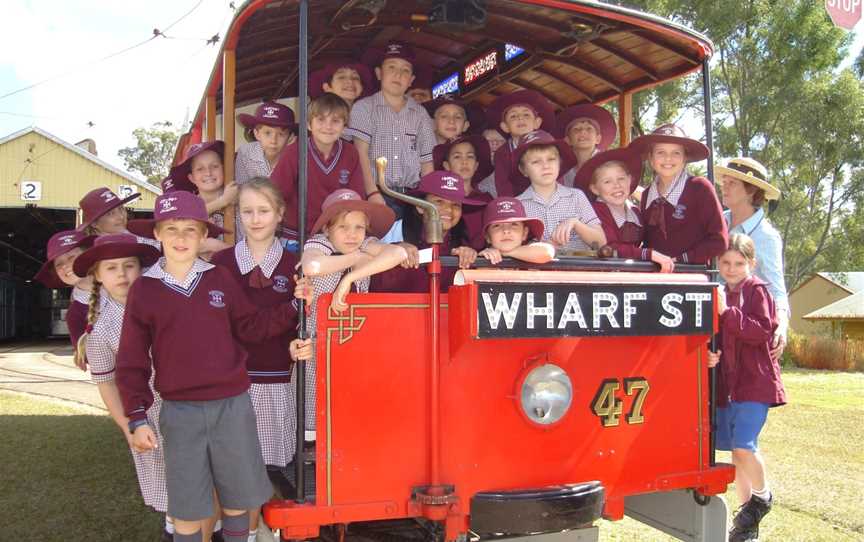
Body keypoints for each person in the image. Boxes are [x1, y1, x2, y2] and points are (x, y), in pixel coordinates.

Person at [117, 191, 300, 542]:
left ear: (203, 235)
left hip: (232, 406)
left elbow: (252, 327)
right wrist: (137, 417)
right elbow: (132, 360)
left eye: (190, 229)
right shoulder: (145, 289)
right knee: (187, 509)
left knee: (237, 502)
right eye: (171, 229)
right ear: (156, 234)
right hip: (179, 412)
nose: (181, 238)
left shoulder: (219, 279)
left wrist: (294, 304)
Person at [211, 178, 313, 540]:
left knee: (258, 471)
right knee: (228, 469)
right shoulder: (220, 264)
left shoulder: (295, 264)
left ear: (280, 214)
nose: (255, 219)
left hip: (275, 381)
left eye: (264, 211)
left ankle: (253, 533)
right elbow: (238, 327)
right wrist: (290, 307)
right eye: (247, 211)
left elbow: (303, 326)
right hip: (232, 382)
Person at [71, 234, 176, 538]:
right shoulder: (100, 331)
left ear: (141, 270)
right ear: (98, 277)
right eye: (112, 268)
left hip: (188, 404)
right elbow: (106, 383)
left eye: (129, 266)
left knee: (203, 480)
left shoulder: (165, 303)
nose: (122, 274)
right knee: (170, 487)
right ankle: (174, 531)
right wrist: (128, 426)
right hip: (148, 415)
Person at [299, 189, 405, 430]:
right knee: (317, 416)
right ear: (327, 228)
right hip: (318, 345)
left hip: (354, 344)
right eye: (343, 227)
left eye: (359, 227)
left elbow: (397, 253)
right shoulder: (320, 243)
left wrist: (350, 278)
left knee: (350, 414)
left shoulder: (367, 243)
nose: (352, 235)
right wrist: (357, 257)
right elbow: (313, 265)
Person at [707, 233, 786, 542]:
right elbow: (716, 335)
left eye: (739, 263)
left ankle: (762, 497)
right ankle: (745, 525)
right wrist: (711, 355)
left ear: (752, 263)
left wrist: (728, 312)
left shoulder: (758, 292)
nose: (731, 268)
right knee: (736, 456)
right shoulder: (719, 292)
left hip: (755, 382)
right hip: (728, 385)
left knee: (744, 446)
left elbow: (760, 331)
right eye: (725, 262)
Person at [346, 42, 436, 218]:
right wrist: (372, 193)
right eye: (391, 67)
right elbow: (360, 154)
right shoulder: (364, 108)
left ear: (411, 80)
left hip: (412, 197)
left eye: (405, 70)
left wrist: (426, 199)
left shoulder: (420, 113)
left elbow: (427, 162)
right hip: (376, 194)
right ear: (379, 73)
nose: (398, 75)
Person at [270, 93, 367, 250]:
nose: (328, 126)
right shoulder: (294, 152)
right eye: (321, 120)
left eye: (335, 121)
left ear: (344, 127)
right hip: (297, 236)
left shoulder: (350, 153)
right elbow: (275, 194)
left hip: (335, 236)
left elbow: (356, 198)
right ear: (309, 124)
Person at [717, 157, 789, 358]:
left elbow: (775, 287)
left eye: (732, 183)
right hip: (714, 330)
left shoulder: (766, 236)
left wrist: (781, 324)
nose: (725, 187)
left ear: (751, 190)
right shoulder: (717, 222)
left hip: (746, 332)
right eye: (725, 181)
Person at [371, 171, 485, 293]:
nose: (448, 209)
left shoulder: (463, 248)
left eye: (456, 205)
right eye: (439, 202)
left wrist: (470, 259)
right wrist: (393, 253)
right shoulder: (397, 239)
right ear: (420, 207)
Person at [630, 124, 727, 265]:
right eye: (660, 152)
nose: (668, 158)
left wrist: (681, 260)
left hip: (693, 279)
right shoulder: (646, 196)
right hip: (655, 278)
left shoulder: (699, 188)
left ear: (685, 158)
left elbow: (719, 240)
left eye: (676, 153)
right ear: (650, 158)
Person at [574, 148, 675, 271]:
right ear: (595, 189)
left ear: (630, 180)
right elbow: (610, 247)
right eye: (607, 182)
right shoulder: (595, 211)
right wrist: (648, 254)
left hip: (629, 270)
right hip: (600, 272)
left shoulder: (635, 212)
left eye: (621, 179)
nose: (617, 185)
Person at [510, 130, 605, 252]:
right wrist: (542, 247)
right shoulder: (517, 205)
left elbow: (601, 241)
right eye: (536, 162)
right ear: (523, 170)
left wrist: (575, 223)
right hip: (537, 269)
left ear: (559, 163)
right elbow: (511, 247)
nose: (546, 166)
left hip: (579, 268)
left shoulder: (576, 196)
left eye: (551, 159)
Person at [159, 141, 234, 257]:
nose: (208, 173)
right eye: (200, 169)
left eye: (214, 166)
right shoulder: (184, 205)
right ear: (192, 178)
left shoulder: (237, 198)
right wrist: (223, 201)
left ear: (223, 169)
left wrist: (217, 247)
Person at [33, 230, 95, 366]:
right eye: (58, 264)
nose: (65, 265)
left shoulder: (125, 286)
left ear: (89, 256)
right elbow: (88, 358)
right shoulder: (74, 315)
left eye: (71, 257)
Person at [483, 89, 557, 198]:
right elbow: (503, 185)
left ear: (537, 123)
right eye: (513, 116)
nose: (520, 118)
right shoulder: (502, 153)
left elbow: (558, 175)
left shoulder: (548, 142)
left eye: (526, 115)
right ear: (505, 127)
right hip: (518, 203)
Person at [432, 134, 495, 248]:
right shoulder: (436, 199)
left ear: (476, 165)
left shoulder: (486, 201)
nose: (464, 162)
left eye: (470, 156)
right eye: (457, 157)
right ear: (446, 165)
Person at [478, 197, 555, 265]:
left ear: (524, 233)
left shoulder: (532, 251)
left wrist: (504, 253)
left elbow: (547, 252)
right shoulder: (484, 255)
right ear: (487, 236)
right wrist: (480, 258)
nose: (506, 230)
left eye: (514, 224)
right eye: (497, 226)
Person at [235, 101, 297, 184]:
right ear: (257, 134)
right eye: (267, 133)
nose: (273, 141)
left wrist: (289, 153)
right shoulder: (245, 153)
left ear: (290, 137)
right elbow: (241, 188)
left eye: (281, 134)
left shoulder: (296, 157)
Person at [556, 104, 617, 187]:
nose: (583, 132)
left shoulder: (609, 163)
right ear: (568, 140)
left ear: (598, 139)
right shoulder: (559, 169)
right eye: (576, 129)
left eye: (589, 128)